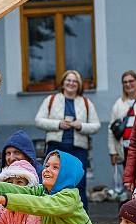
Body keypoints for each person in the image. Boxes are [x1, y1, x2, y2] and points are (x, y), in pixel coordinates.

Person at [34, 70, 101, 210]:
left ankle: (81, 218)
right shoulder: (51, 100)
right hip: (56, 149)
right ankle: (51, 215)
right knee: (53, 183)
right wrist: (58, 124)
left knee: (79, 184)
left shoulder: (86, 102)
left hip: (78, 150)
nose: (71, 83)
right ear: (63, 83)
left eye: (75, 81)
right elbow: (38, 121)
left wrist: (80, 125)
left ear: (79, 85)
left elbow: (96, 126)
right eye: (68, 80)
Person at [109, 71, 136, 168]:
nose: (128, 84)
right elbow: (111, 130)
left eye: (131, 81)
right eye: (125, 82)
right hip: (125, 150)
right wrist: (113, 152)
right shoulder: (118, 104)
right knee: (129, 180)